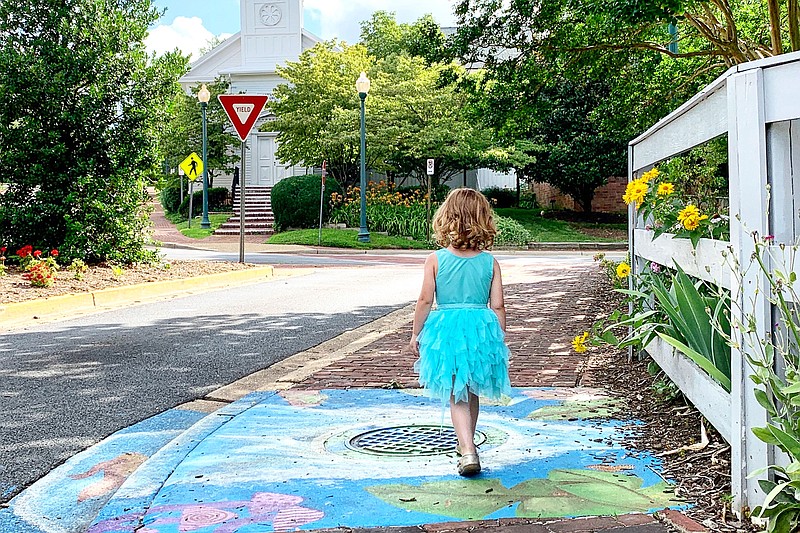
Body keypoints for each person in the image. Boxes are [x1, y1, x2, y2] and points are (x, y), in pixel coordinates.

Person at [409, 188, 512, 477]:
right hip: (480, 329)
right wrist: (498, 337)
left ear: (447, 218)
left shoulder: (436, 259)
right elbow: (499, 304)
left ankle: (467, 450)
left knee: (457, 393)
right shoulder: (490, 262)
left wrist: (416, 332)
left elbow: (425, 300)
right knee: (472, 389)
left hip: (447, 331)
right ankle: (466, 442)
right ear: (483, 220)